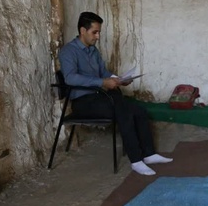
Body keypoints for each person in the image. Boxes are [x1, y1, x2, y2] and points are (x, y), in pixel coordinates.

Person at [59, 11, 172, 176]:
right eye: (94, 32)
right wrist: (102, 82)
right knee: (123, 111)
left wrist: (118, 79)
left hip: (99, 97)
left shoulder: (93, 51)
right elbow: (70, 78)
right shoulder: (68, 51)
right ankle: (136, 161)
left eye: (98, 32)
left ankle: (149, 154)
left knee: (139, 111)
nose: (97, 36)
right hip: (83, 102)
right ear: (83, 31)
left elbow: (103, 72)